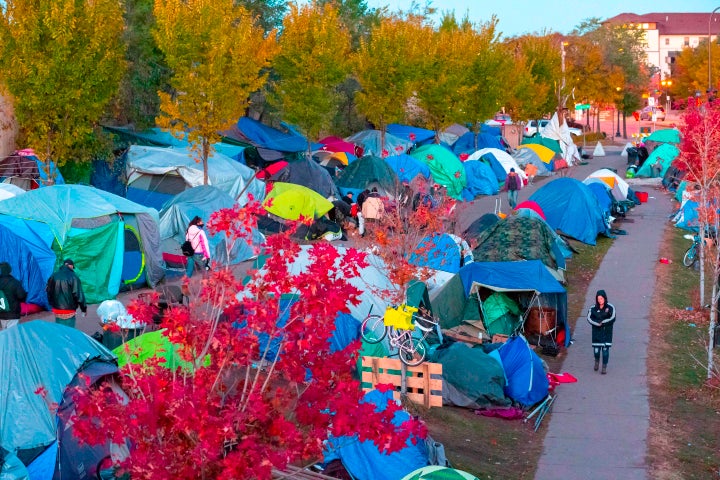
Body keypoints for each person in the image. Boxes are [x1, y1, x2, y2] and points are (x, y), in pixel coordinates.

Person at [46, 259, 87, 328]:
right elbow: (78, 294)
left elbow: (48, 291)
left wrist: (51, 303)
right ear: (70, 266)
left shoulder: (54, 275)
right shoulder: (73, 276)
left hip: (57, 309)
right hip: (69, 309)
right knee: (69, 331)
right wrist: (83, 309)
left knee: (59, 329)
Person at [587, 289, 616, 374]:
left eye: (601, 298)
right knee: (596, 350)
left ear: (605, 298)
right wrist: (596, 323)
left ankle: (604, 367)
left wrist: (603, 323)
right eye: (598, 299)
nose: (600, 300)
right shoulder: (593, 308)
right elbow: (589, 318)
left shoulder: (610, 307)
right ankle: (596, 361)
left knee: (605, 351)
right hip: (597, 334)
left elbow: (612, 318)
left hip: (607, 333)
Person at [0, 262, 27, 330]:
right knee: (12, 335)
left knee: (4, 333)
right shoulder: (15, 282)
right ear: (9, 271)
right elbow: (22, 296)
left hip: (1, 314)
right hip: (13, 314)